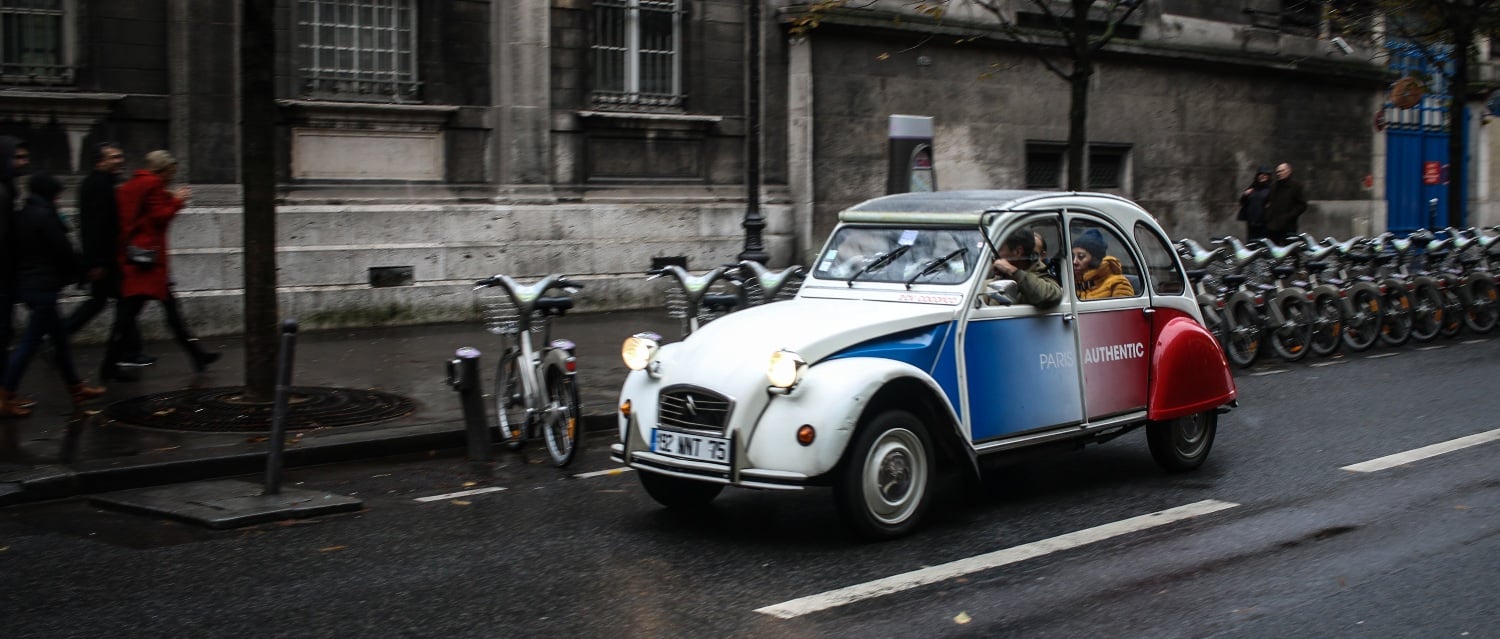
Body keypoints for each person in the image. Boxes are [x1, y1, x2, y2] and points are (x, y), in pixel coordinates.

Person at [101, 150, 219, 381]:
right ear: (164, 170)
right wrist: (177, 201)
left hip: (136, 259)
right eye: (171, 171)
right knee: (130, 317)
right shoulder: (153, 185)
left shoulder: (132, 185)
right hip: (148, 262)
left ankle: (198, 355)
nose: (172, 175)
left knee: (163, 312)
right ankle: (108, 366)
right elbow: (159, 217)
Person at [0, 173, 106, 417]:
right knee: (29, 344)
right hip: (44, 286)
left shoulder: (21, 215)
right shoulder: (45, 216)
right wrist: (82, 271)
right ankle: (5, 395)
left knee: (60, 341)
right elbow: (63, 249)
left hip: (29, 285)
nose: (59, 199)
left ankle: (75, 387)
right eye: (57, 195)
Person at [65, 143, 129, 337]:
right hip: (105, 258)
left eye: (120, 156)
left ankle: (130, 349)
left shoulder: (105, 183)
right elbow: (95, 227)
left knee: (107, 300)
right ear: (100, 162)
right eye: (114, 157)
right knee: (119, 300)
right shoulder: (98, 186)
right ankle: (130, 350)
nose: (120, 161)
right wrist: (97, 262)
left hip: (107, 256)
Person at [0, 136, 33, 413]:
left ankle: (5, 393)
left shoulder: (8, 189)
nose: (23, 162)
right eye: (17, 157)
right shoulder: (2, 192)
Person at [988, 228, 1062, 308]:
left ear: (1018, 252)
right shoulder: (1000, 274)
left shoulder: (1039, 273)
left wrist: (1013, 271)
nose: (995, 254)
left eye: (1000, 249)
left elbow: (1052, 296)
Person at [1071, 228, 1135, 300]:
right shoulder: (1073, 284)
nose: (1074, 262)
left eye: (1081, 257)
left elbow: (1123, 310)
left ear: (1095, 259)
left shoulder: (1118, 284)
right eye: (1073, 256)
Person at [1264, 162, 1307, 242]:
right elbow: (1267, 202)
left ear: (1289, 171)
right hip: (1272, 226)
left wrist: (1289, 216)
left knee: (1289, 249)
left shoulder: (1296, 186)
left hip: (1288, 226)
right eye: (1278, 172)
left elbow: (1302, 205)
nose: (1279, 174)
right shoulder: (1273, 186)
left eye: (1282, 171)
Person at [1237, 167, 1273, 240]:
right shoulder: (1253, 187)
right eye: (1261, 174)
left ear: (1268, 177)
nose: (1262, 176)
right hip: (1251, 221)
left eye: (1265, 175)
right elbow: (1242, 202)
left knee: (1262, 241)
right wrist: (1245, 194)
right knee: (1251, 241)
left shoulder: (1271, 189)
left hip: (1263, 221)